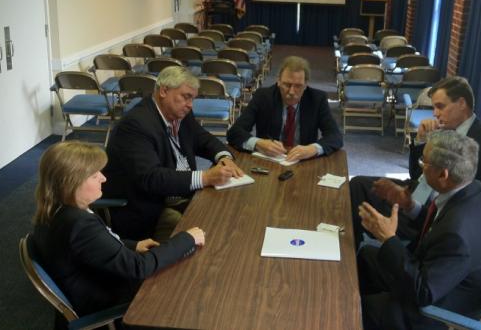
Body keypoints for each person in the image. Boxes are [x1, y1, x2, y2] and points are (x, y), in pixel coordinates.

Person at [31, 141, 205, 319]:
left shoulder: (55, 209)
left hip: (96, 277)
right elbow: (139, 267)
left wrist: (133, 245)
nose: (103, 178)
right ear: (71, 183)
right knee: (190, 283)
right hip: (110, 299)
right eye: (94, 175)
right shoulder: (79, 224)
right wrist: (187, 238)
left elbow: (92, 247)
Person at [350, 76, 481, 246]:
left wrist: (475, 210)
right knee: (358, 185)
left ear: (461, 104)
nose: (435, 113)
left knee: (362, 204)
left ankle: (356, 254)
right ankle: (351, 247)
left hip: (439, 213)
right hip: (417, 193)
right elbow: (417, 174)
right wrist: (420, 140)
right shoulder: (442, 131)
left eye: (440, 106)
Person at [357, 131, 481, 330]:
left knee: (358, 308)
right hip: (439, 274)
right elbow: (438, 228)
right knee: (366, 257)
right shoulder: (475, 188)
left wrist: (388, 238)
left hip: (436, 310)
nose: (421, 167)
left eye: (424, 162)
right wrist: (410, 205)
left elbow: (423, 292)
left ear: (443, 175)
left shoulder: (457, 235)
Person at [103, 66, 244, 242]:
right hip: (150, 207)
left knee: (228, 212)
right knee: (208, 233)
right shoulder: (135, 125)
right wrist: (206, 177)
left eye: (193, 98)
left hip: (179, 192)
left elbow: (201, 138)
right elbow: (152, 178)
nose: (190, 105)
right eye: (186, 97)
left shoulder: (179, 112)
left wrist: (223, 157)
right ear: (164, 91)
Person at [227, 56, 342, 161]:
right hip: (269, 160)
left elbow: (335, 136)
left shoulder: (317, 99)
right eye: (287, 84)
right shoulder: (263, 97)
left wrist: (313, 149)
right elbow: (234, 132)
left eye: (298, 86)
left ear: (306, 84)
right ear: (278, 81)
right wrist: (258, 143)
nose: (291, 92)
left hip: (304, 161)